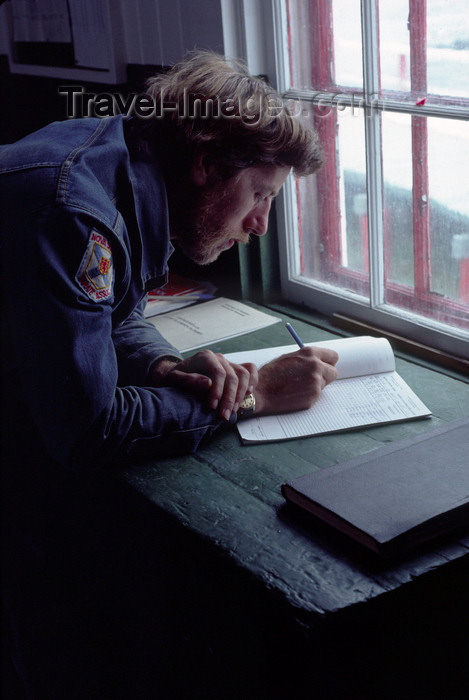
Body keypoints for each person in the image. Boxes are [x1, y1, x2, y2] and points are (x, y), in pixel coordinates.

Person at [1, 51, 338, 698]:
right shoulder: (73, 213)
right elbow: (87, 428)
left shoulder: (126, 163)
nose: (260, 225)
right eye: (261, 194)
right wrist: (256, 396)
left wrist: (163, 363)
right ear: (206, 165)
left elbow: (116, 309)